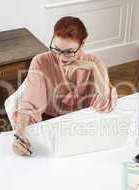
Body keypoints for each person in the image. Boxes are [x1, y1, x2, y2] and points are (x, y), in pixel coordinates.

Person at [9, 16, 118, 156]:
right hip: (51, 124)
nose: (61, 57)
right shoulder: (40, 62)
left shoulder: (95, 62)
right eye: (56, 49)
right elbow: (29, 104)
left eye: (68, 52)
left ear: (83, 44)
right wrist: (19, 135)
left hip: (83, 125)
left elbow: (105, 101)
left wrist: (93, 68)